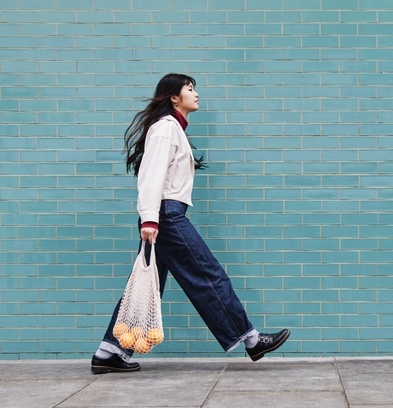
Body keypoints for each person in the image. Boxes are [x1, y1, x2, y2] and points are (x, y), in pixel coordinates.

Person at [91, 73, 290, 374]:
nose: (196, 94)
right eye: (190, 89)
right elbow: (150, 177)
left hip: (165, 216)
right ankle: (251, 340)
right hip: (165, 217)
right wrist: (150, 220)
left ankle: (109, 352)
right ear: (174, 97)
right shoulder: (165, 129)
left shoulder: (174, 130)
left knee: (147, 288)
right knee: (208, 274)